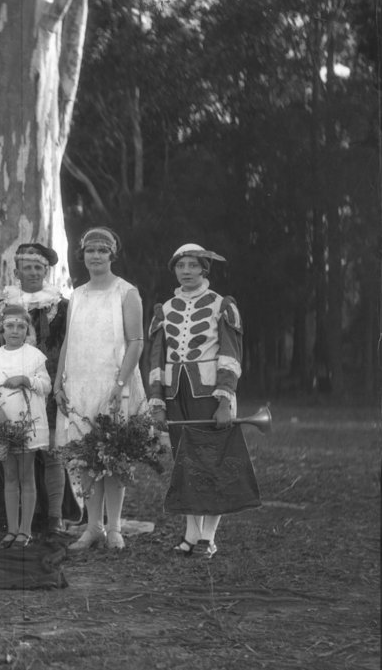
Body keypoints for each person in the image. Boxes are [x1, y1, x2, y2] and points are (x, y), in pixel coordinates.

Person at [147, 243, 243, 559]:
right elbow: (156, 358)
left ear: (204, 268)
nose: (186, 271)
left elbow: (230, 354)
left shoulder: (221, 305)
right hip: (176, 395)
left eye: (192, 265)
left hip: (210, 394)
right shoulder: (165, 309)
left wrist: (225, 401)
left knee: (213, 464)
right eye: (180, 265)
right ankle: (190, 535)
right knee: (185, 465)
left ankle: (208, 538)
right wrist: (157, 402)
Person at [54, 227, 146, 551]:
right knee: (85, 457)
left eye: (102, 250)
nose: (96, 256)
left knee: (114, 455)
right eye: (90, 250)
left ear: (112, 255)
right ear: (83, 255)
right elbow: (69, 341)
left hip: (113, 383)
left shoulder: (126, 292)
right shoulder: (77, 295)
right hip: (79, 383)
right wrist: (59, 382)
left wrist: (120, 384)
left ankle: (115, 527)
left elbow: (136, 342)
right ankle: (93, 526)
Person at [0, 242, 73, 547]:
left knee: (52, 454)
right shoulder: (3, 306)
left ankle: (55, 517)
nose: (33, 272)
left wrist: (60, 383)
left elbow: (72, 345)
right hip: (10, 394)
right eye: (27, 267)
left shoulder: (61, 306)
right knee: (14, 457)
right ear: (17, 271)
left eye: (38, 267)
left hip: (51, 385)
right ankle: (23, 520)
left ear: (46, 271)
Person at [0, 305, 51, 548]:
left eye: (21, 326)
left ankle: (25, 531)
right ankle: (11, 529)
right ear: (1, 329)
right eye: (10, 326)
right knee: (10, 476)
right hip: (3, 423)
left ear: (27, 329)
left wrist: (26, 380)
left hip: (27, 423)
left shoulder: (34, 356)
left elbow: (46, 385)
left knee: (26, 475)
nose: (15, 331)